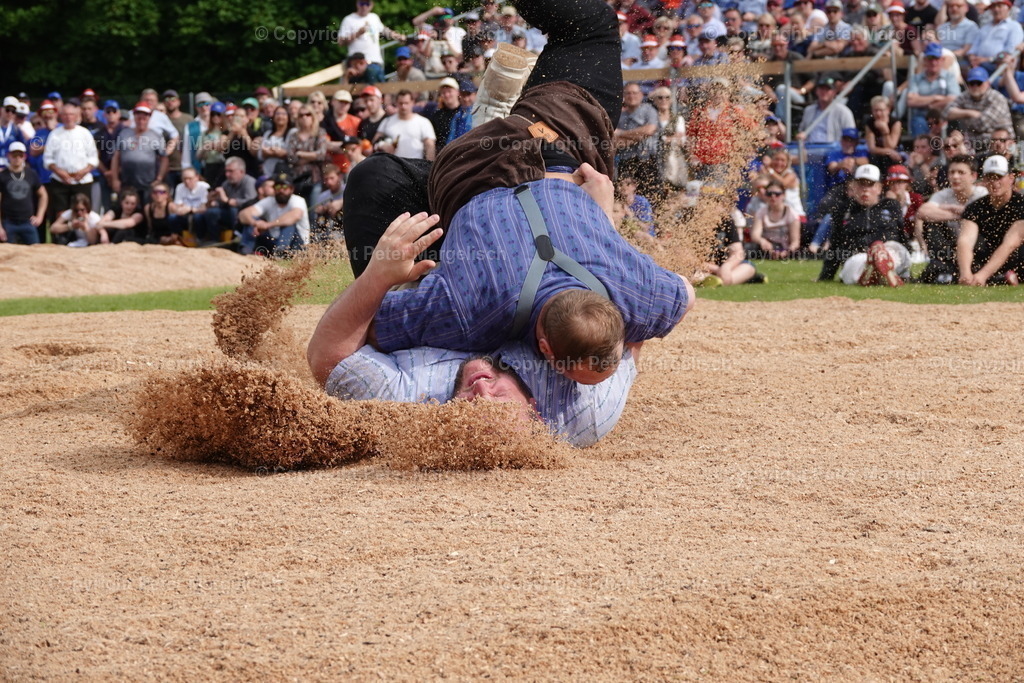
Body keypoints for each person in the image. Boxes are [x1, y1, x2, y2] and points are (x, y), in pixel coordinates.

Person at [341, 0, 693, 386]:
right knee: (372, 177)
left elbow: (685, 293)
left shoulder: (636, 293)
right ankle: (409, 301)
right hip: (528, 149)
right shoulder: (463, 308)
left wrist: (603, 223)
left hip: (501, 165)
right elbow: (362, 331)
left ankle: (411, 299)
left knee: (373, 177)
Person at [307, 211, 638, 448]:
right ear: (535, 411)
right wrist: (602, 221)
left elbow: (329, 357)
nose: (481, 391)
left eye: (469, 405)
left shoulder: (401, 400)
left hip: (415, 261)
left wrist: (378, 273)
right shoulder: (582, 410)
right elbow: (626, 332)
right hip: (511, 241)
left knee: (373, 175)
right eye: (499, 397)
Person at [818, 164, 910, 286]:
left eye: (870, 184)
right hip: (857, 257)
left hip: (888, 250)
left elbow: (901, 237)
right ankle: (876, 270)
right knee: (856, 263)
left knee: (898, 250)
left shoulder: (891, 206)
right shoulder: (843, 209)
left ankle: (879, 266)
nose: (865, 189)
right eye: (861, 184)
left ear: (879, 187)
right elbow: (835, 243)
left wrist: (907, 270)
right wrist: (826, 276)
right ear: (854, 186)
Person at [916, 153, 986, 283]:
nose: (955, 177)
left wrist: (963, 214)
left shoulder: (982, 194)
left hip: (978, 248)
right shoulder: (945, 194)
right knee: (930, 224)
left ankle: (969, 270)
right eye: (952, 172)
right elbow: (922, 212)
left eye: (961, 172)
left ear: (973, 176)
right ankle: (943, 267)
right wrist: (958, 215)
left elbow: (985, 216)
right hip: (950, 248)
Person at [957, 154, 1024, 285]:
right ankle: (1000, 278)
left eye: (999, 177)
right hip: (989, 258)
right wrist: (965, 273)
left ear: (1011, 178)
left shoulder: (1021, 205)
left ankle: (998, 277)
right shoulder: (975, 207)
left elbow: (1011, 244)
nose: (994, 183)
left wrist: (983, 275)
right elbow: (965, 241)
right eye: (990, 178)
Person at [43, 101, 98, 224]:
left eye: (71, 114)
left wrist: (84, 171)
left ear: (77, 115)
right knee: (59, 214)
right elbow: (48, 159)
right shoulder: (55, 134)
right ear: (61, 116)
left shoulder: (85, 133)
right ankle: (60, 239)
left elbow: (93, 157)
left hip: (82, 181)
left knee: (83, 212)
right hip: (60, 180)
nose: (68, 117)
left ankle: (84, 239)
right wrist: (60, 172)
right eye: (65, 114)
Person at [238, 171, 309, 256]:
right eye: (278, 186)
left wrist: (268, 225)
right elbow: (243, 214)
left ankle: (281, 252)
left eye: (285, 187)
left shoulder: (298, 200)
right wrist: (256, 223)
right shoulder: (269, 200)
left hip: (297, 245)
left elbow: (295, 216)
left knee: (289, 225)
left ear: (291, 189)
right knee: (251, 220)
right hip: (274, 241)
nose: (281, 190)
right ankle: (245, 250)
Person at [110, 103, 168, 203]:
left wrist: (159, 178)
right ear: (134, 116)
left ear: (149, 117)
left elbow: (164, 159)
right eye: (138, 115)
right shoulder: (124, 133)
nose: (141, 119)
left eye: (145, 116)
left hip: (148, 184)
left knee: (147, 211)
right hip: (126, 183)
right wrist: (115, 179)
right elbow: (116, 157)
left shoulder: (156, 135)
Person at [945, 67, 1013, 151]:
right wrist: (970, 113)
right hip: (973, 144)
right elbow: (946, 112)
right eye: (972, 83)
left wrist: (961, 116)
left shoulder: (997, 98)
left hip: (999, 144)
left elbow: (982, 124)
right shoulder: (965, 96)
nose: (975, 86)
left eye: (979, 83)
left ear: (987, 83)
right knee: (953, 141)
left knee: (999, 138)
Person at [614, 82, 660, 199]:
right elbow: (615, 141)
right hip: (626, 160)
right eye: (628, 93)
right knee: (626, 195)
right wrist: (639, 136)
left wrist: (622, 133)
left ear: (641, 95)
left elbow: (649, 130)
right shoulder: (619, 115)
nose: (631, 96)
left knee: (651, 193)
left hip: (647, 160)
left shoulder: (649, 110)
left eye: (635, 93)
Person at [907, 42, 961, 137]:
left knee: (954, 120)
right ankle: (922, 150)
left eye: (936, 59)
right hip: (923, 117)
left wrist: (932, 106)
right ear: (925, 60)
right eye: (930, 59)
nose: (933, 62)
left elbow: (954, 98)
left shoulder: (949, 77)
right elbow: (911, 101)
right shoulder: (916, 78)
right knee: (918, 122)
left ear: (942, 60)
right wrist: (935, 97)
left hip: (944, 115)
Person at [0, 142, 48, 245]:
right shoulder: (2, 175)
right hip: (8, 222)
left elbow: (43, 194)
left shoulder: (31, 174)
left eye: (20, 155)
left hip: (27, 222)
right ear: (9, 156)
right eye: (14, 155)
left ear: (24, 156)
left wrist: (39, 216)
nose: (17, 158)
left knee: (35, 252)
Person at [337, 0, 405, 72]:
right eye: (362, 3)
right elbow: (341, 42)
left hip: (374, 62)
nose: (364, 6)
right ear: (357, 4)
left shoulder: (374, 17)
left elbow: (385, 31)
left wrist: (399, 37)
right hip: (357, 63)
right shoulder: (349, 19)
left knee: (378, 83)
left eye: (367, 3)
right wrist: (358, 33)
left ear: (372, 5)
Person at [372, 90, 437, 161]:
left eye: (406, 103)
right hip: (391, 166)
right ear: (396, 103)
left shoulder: (423, 122)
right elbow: (375, 142)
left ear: (412, 102)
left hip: (414, 166)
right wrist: (382, 145)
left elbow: (430, 146)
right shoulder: (387, 121)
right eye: (401, 103)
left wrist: (430, 166)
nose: (403, 106)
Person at [284, 104, 329, 200]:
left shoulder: (320, 132)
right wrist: (312, 157)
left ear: (313, 117)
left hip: (314, 177)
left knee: (313, 209)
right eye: (301, 115)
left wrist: (301, 154)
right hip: (297, 178)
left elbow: (321, 154)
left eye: (308, 114)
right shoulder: (294, 135)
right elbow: (291, 157)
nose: (304, 117)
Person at [796, 75, 856, 144]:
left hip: (833, 150)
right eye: (821, 88)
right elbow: (801, 131)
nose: (824, 92)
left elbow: (851, 136)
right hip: (810, 149)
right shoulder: (808, 110)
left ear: (834, 92)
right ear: (816, 91)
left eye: (827, 89)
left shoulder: (844, 112)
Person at [966, 0, 1022, 71]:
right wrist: (972, 58)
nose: (996, 9)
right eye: (993, 7)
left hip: (999, 68)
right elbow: (974, 48)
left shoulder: (1014, 26)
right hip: (978, 66)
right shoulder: (985, 27)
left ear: (1008, 8)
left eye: (999, 6)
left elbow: (1009, 51)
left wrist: (988, 59)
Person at [750, 178, 800, 257]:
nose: (773, 196)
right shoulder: (761, 212)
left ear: (784, 195)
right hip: (765, 249)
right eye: (769, 194)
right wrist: (762, 241)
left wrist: (787, 252)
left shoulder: (792, 214)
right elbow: (755, 235)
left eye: (777, 194)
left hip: (785, 248)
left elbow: (795, 242)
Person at [170, 167, 212, 242]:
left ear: (197, 177)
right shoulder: (180, 187)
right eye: (184, 179)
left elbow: (204, 207)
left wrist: (190, 209)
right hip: (185, 213)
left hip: (199, 214)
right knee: (172, 217)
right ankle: (179, 238)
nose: (187, 181)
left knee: (198, 217)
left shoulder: (204, 187)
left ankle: (200, 239)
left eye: (190, 178)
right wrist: (180, 210)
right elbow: (178, 205)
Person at [258, 105, 292, 177]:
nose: (280, 116)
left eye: (283, 114)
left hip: (284, 172)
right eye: (277, 114)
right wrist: (275, 152)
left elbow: (289, 153)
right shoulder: (268, 133)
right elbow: (260, 154)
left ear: (288, 117)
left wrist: (269, 152)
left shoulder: (292, 133)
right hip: (267, 171)